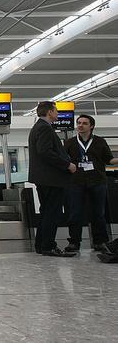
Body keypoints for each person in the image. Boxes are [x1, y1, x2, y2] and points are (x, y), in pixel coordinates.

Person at [28, 101, 78, 257]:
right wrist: (67, 165)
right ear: (49, 112)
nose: (57, 113)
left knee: (46, 211)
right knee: (52, 212)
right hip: (51, 178)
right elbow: (45, 152)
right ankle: (49, 246)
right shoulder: (44, 128)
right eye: (56, 110)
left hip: (43, 178)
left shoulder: (37, 127)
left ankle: (42, 245)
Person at [63, 114, 118, 254]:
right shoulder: (69, 142)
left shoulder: (100, 141)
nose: (80, 125)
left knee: (98, 213)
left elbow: (109, 160)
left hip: (97, 181)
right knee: (75, 213)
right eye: (79, 123)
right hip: (76, 181)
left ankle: (100, 242)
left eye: (84, 123)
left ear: (91, 126)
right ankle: (74, 242)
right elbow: (64, 161)